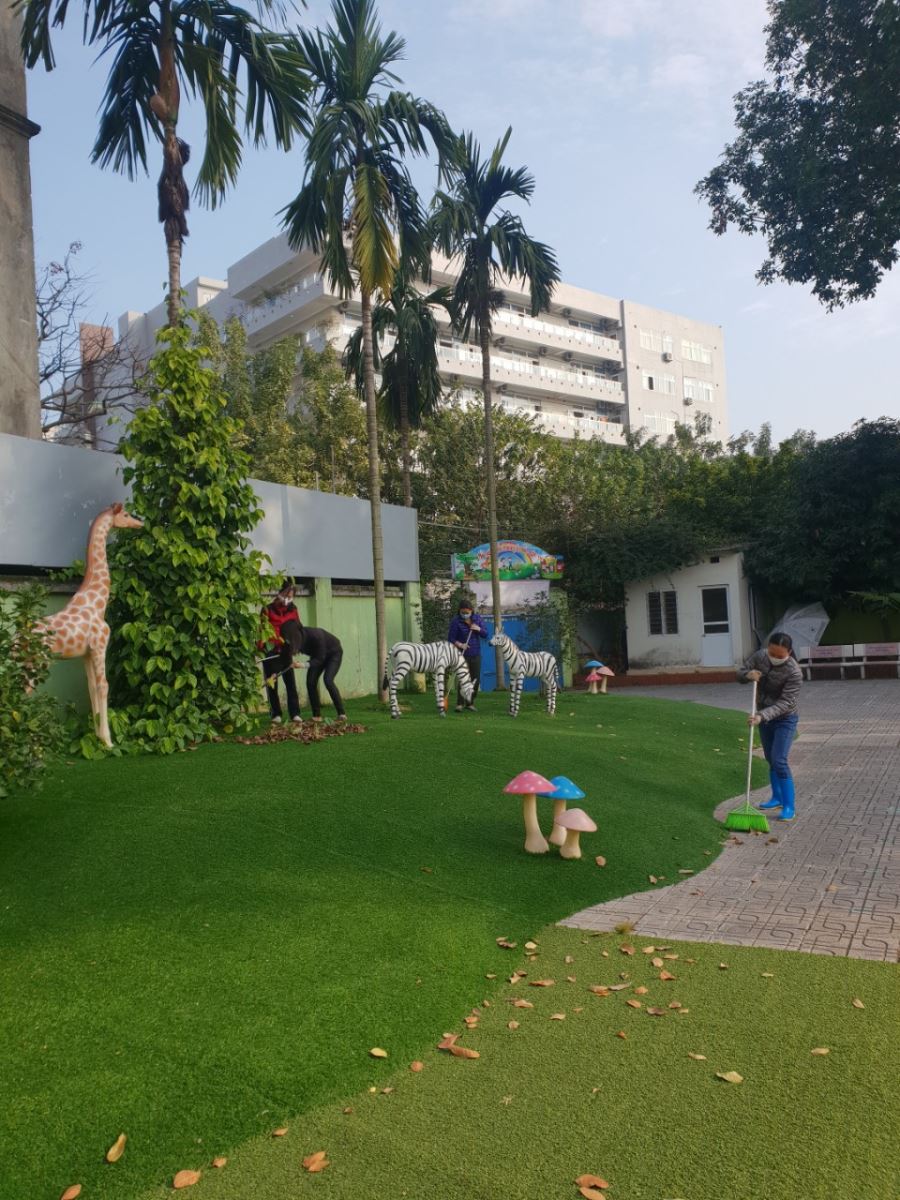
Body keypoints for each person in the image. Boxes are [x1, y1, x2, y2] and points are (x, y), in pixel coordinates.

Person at [738, 631, 803, 820]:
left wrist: (761, 716)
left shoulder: (794, 672)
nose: (774, 658)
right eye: (772, 653)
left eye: (779, 655)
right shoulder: (760, 656)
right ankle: (776, 797)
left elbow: (786, 703)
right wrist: (748, 674)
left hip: (785, 719)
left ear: (789, 652)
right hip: (764, 717)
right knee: (770, 758)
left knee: (779, 760)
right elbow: (740, 673)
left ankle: (789, 806)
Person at [259, 581, 303, 724]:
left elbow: (298, 628)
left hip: (286, 652)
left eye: (291, 597)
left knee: (290, 683)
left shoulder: (293, 610)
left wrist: (296, 646)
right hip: (271, 652)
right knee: (272, 684)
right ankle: (276, 714)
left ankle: (295, 714)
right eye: (286, 595)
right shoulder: (267, 609)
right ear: (280, 593)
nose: (287, 599)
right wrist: (261, 650)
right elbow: (261, 630)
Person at [292, 622, 347, 722]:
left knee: (328, 680)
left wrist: (302, 665)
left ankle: (341, 714)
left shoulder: (316, 636)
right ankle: (317, 716)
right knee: (310, 682)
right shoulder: (296, 638)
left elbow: (320, 660)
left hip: (334, 653)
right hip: (317, 655)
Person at [447, 600, 488, 712]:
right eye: (463, 612)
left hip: (476, 653)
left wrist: (478, 629)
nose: (465, 614)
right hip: (462, 654)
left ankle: (470, 703)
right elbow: (451, 638)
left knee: (475, 680)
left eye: (467, 612)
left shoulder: (477, 619)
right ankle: (460, 704)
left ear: (471, 611)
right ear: (459, 611)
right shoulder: (456, 621)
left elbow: (485, 634)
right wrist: (461, 645)